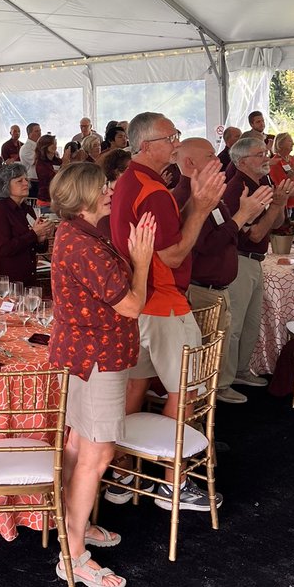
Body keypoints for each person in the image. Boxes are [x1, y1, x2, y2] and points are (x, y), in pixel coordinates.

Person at [48, 162, 156, 587]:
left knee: (78, 446)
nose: (111, 190)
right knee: (97, 455)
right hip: (98, 361)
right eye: (103, 186)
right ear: (83, 196)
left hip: (85, 357)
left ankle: (72, 526)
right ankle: (72, 557)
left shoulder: (77, 234)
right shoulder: (85, 244)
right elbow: (131, 305)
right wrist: (141, 262)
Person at [109, 112, 225, 511]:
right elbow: (173, 256)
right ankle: (171, 485)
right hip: (164, 303)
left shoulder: (130, 182)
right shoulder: (154, 192)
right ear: (146, 147)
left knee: (135, 386)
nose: (176, 142)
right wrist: (201, 207)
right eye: (169, 136)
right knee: (185, 391)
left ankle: (122, 472)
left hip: (136, 302)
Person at [173, 139, 273, 406]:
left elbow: (226, 232)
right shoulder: (185, 196)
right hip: (202, 286)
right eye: (210, 156)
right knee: (202, 356)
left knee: (224, 339)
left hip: (217, 284)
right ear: (190, 163)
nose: (218, 161)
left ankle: (217, 394)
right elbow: (207, 244)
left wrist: (244, 215)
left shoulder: (210, 192)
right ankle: (205, 407)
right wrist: (242, 216)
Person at [221, 134, 293, 391]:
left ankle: (241, 370)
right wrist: (276, 205)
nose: (266, 158)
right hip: (239, 261)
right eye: (259, 154)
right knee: (235, 326)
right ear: (241, 162)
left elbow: (276, 225)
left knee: (251, 323)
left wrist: (279, 204)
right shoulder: (237, 189)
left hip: (255, 260)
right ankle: (223, 382)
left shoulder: (261, 181)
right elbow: (255, 234)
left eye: (265, 152)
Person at [0, 162, 52, 289]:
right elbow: (3, 248)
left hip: (24, 278)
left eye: (26, 179)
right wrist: (34, 233)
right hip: (1, 280)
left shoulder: (27, 209)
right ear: (5, 186)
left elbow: (35, 246)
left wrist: (40, 239)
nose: (26, 183)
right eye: (19, 181)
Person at [269, 133, 294, 220]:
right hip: (284, 204)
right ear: (280, 144)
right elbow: (283, 184)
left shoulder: (292, 159)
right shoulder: (275, 162)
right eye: (289, 141)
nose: (293, 143)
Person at [34, 134, 58, 205]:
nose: (54, 146)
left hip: (57, 200)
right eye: (51, 144)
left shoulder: (57, 161)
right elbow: (52, 178)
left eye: (55, 143)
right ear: (44, 146)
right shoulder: (40, 163)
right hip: (45, 200)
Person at [19, 122, 41, 195]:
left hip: (41, 180)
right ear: (29, 134)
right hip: (33, 181)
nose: (39, 133)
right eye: (36, 131)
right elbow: (37, 161)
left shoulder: (39, 146)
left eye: (40, 131)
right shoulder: (26, 148)